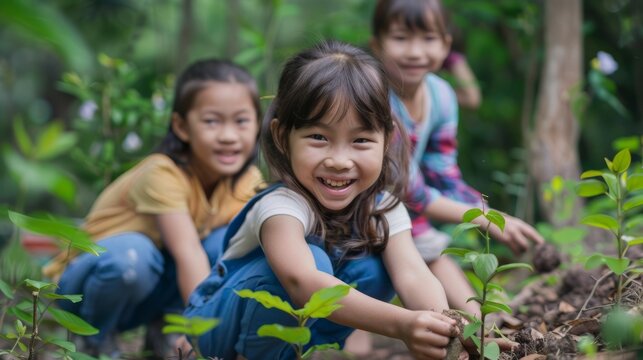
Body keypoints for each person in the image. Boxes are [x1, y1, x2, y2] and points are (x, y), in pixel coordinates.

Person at [184, 40, 458, 360]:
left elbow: (412, 272)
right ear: (282, 137)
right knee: (314, 262)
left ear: (387, 140)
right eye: (319, 137)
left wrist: (445, 329)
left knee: (378, 268)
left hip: (295, 330)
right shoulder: (280, 207)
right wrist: (403, 324)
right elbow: (302, 280)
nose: (339, 160)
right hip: (216, 327)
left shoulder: (383, 206)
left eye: (361, 140)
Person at [43, 58, 264, 357]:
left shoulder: (247, 181)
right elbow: (187, 254)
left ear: (257, 125)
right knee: (134, 255)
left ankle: (167, 329)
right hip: (85, 286)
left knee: (227, 243)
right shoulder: (161, 172)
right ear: (182, 127)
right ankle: (93, 340)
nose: (228, 135)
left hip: (149, 288)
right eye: (212, 121)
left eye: (241, 121)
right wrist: (206, 340)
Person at [369, 0, 545, 317]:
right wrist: (483, 219)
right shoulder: (376, 99)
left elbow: (443, 174)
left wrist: (485, 211)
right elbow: (409, 189)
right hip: (362, 205)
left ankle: (482, 324)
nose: (415, 51)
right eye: (400, 38)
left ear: (446, 45)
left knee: (432, 246)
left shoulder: (442, 95)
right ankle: (479, 324)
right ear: (377, 44)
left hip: (396, 205)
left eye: (428, 38)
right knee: (430, 248)